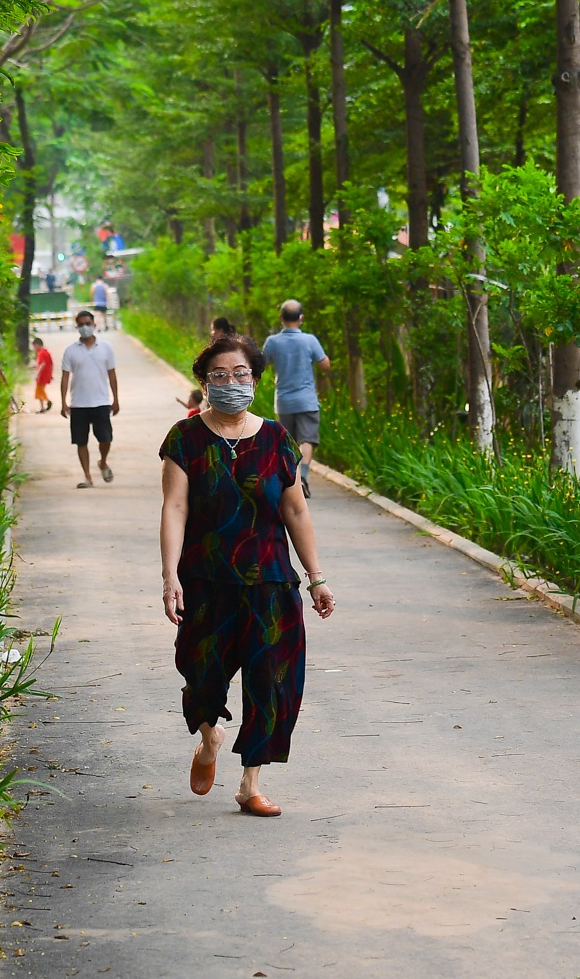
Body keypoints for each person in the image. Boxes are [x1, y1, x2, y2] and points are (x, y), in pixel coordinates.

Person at [159, 335, 335, 817]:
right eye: (219, 376)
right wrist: (169, 574)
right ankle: (210, 736)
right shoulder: (185, 437)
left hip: (271, 581)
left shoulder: (277, 438)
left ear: (256, 380)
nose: (231, 383)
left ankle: (251, 783)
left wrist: (316, 576)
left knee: (271, 680)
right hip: (206, 579)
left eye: (241, 375)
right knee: (201, 674)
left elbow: (295, 509)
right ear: (204, 383)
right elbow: (175, 506)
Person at [260, 300, 330, 497]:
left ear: (281, 318)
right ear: (301, 318)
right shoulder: (310, 340)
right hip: (307, 400)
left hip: (284, 401)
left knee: (288, 442)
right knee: (307, 439)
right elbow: (325, 365)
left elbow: (261, 365)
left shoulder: (272, 342)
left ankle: (292, 481)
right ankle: (304, 477)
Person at [59, 310, 121, 487]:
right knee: (81, 441)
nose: (85, 327)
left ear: (94, 325)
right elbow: (65, 377)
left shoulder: (105, 348)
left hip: (101, 401)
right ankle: (87, 477)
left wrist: (115, 399)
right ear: (77, 327)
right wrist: (63, 402)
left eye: (88, 323)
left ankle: (102, 461)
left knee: (106, 438)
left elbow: (112, 374)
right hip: (78, 403)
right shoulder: (70, 351)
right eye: (82, 324)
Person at [32, 337, 54, 414]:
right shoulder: (46, 352)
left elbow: (42, 364)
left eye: (34, 346)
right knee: (40, 390)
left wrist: (37, 374)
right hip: (46, 374)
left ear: (37, 345)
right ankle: (42, 407)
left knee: (40, 390)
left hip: (42, 375)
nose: (34, 348)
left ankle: (47, 401)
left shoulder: (41, 353)